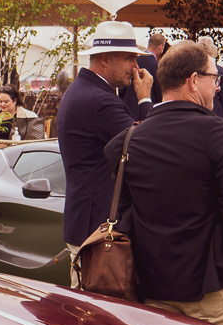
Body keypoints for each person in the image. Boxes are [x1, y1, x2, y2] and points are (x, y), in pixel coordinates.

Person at [103, 40, 223, 325]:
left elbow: (126, 210)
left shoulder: (131, 140)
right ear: (194, 81)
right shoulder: (219, 135)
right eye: (215, 78)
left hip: (153, 284)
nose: (219, 86)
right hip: (211, 288)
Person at [59, 20, 153, 283]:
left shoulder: (86, 91)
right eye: (129, 58)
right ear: (104, 59)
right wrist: (145, 99)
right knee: (96, 318)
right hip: (97, 231)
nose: (136, 66)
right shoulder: (99, 100)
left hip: (89, 226)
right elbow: (149, 147)